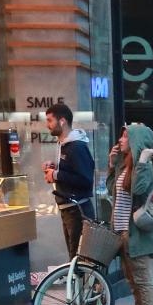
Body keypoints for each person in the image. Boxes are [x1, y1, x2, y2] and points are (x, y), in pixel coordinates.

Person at [109, 123, 153, 305]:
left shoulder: (144, 165)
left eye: (124, 137)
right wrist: (113, 164)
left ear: (135, 141)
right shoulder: (125, 164)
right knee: (132, 279)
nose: (120, 140)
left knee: (142, 278)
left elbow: (139, 189)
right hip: (122, 230)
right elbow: (112, 189)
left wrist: (141, 161)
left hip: (135, 233)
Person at [43, 102, 94, 266]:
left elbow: (85, 179)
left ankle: (83, 289)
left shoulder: (76, 146)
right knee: (75, 258)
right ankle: (79, 288)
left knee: (78, 259)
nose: (47, 125)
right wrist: (54, 168)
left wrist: (56, 174)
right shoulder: (64, 144)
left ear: (62, 121)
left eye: (50, 120)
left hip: (77, 209)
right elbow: (73, 171)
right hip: (69, 208)